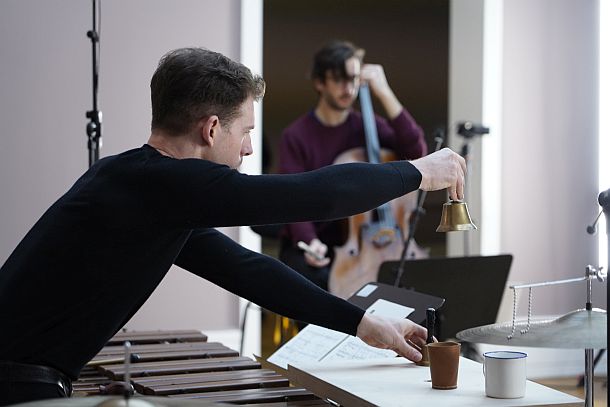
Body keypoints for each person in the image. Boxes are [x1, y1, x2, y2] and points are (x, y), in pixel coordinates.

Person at [0, 47, 465, 405]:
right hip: (16, 384)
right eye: (245, 133)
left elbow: (247, 271)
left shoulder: (141, 186)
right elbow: (316, 196)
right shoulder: (157, 185)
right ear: (211, 129)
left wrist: (362, 322)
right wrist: (419, 172)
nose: (246, 149)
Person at [278, 40, 427, 291]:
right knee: (315, 285)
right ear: (319, 83)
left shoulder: (369, 126)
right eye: (339, 80)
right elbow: (292, 199)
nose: (349, 89)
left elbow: (416, 152)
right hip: (320, 237)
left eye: (354, 79)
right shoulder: (296, 135)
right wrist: (309, 240)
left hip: (370, 239)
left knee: (409, 284)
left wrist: (384, 92)